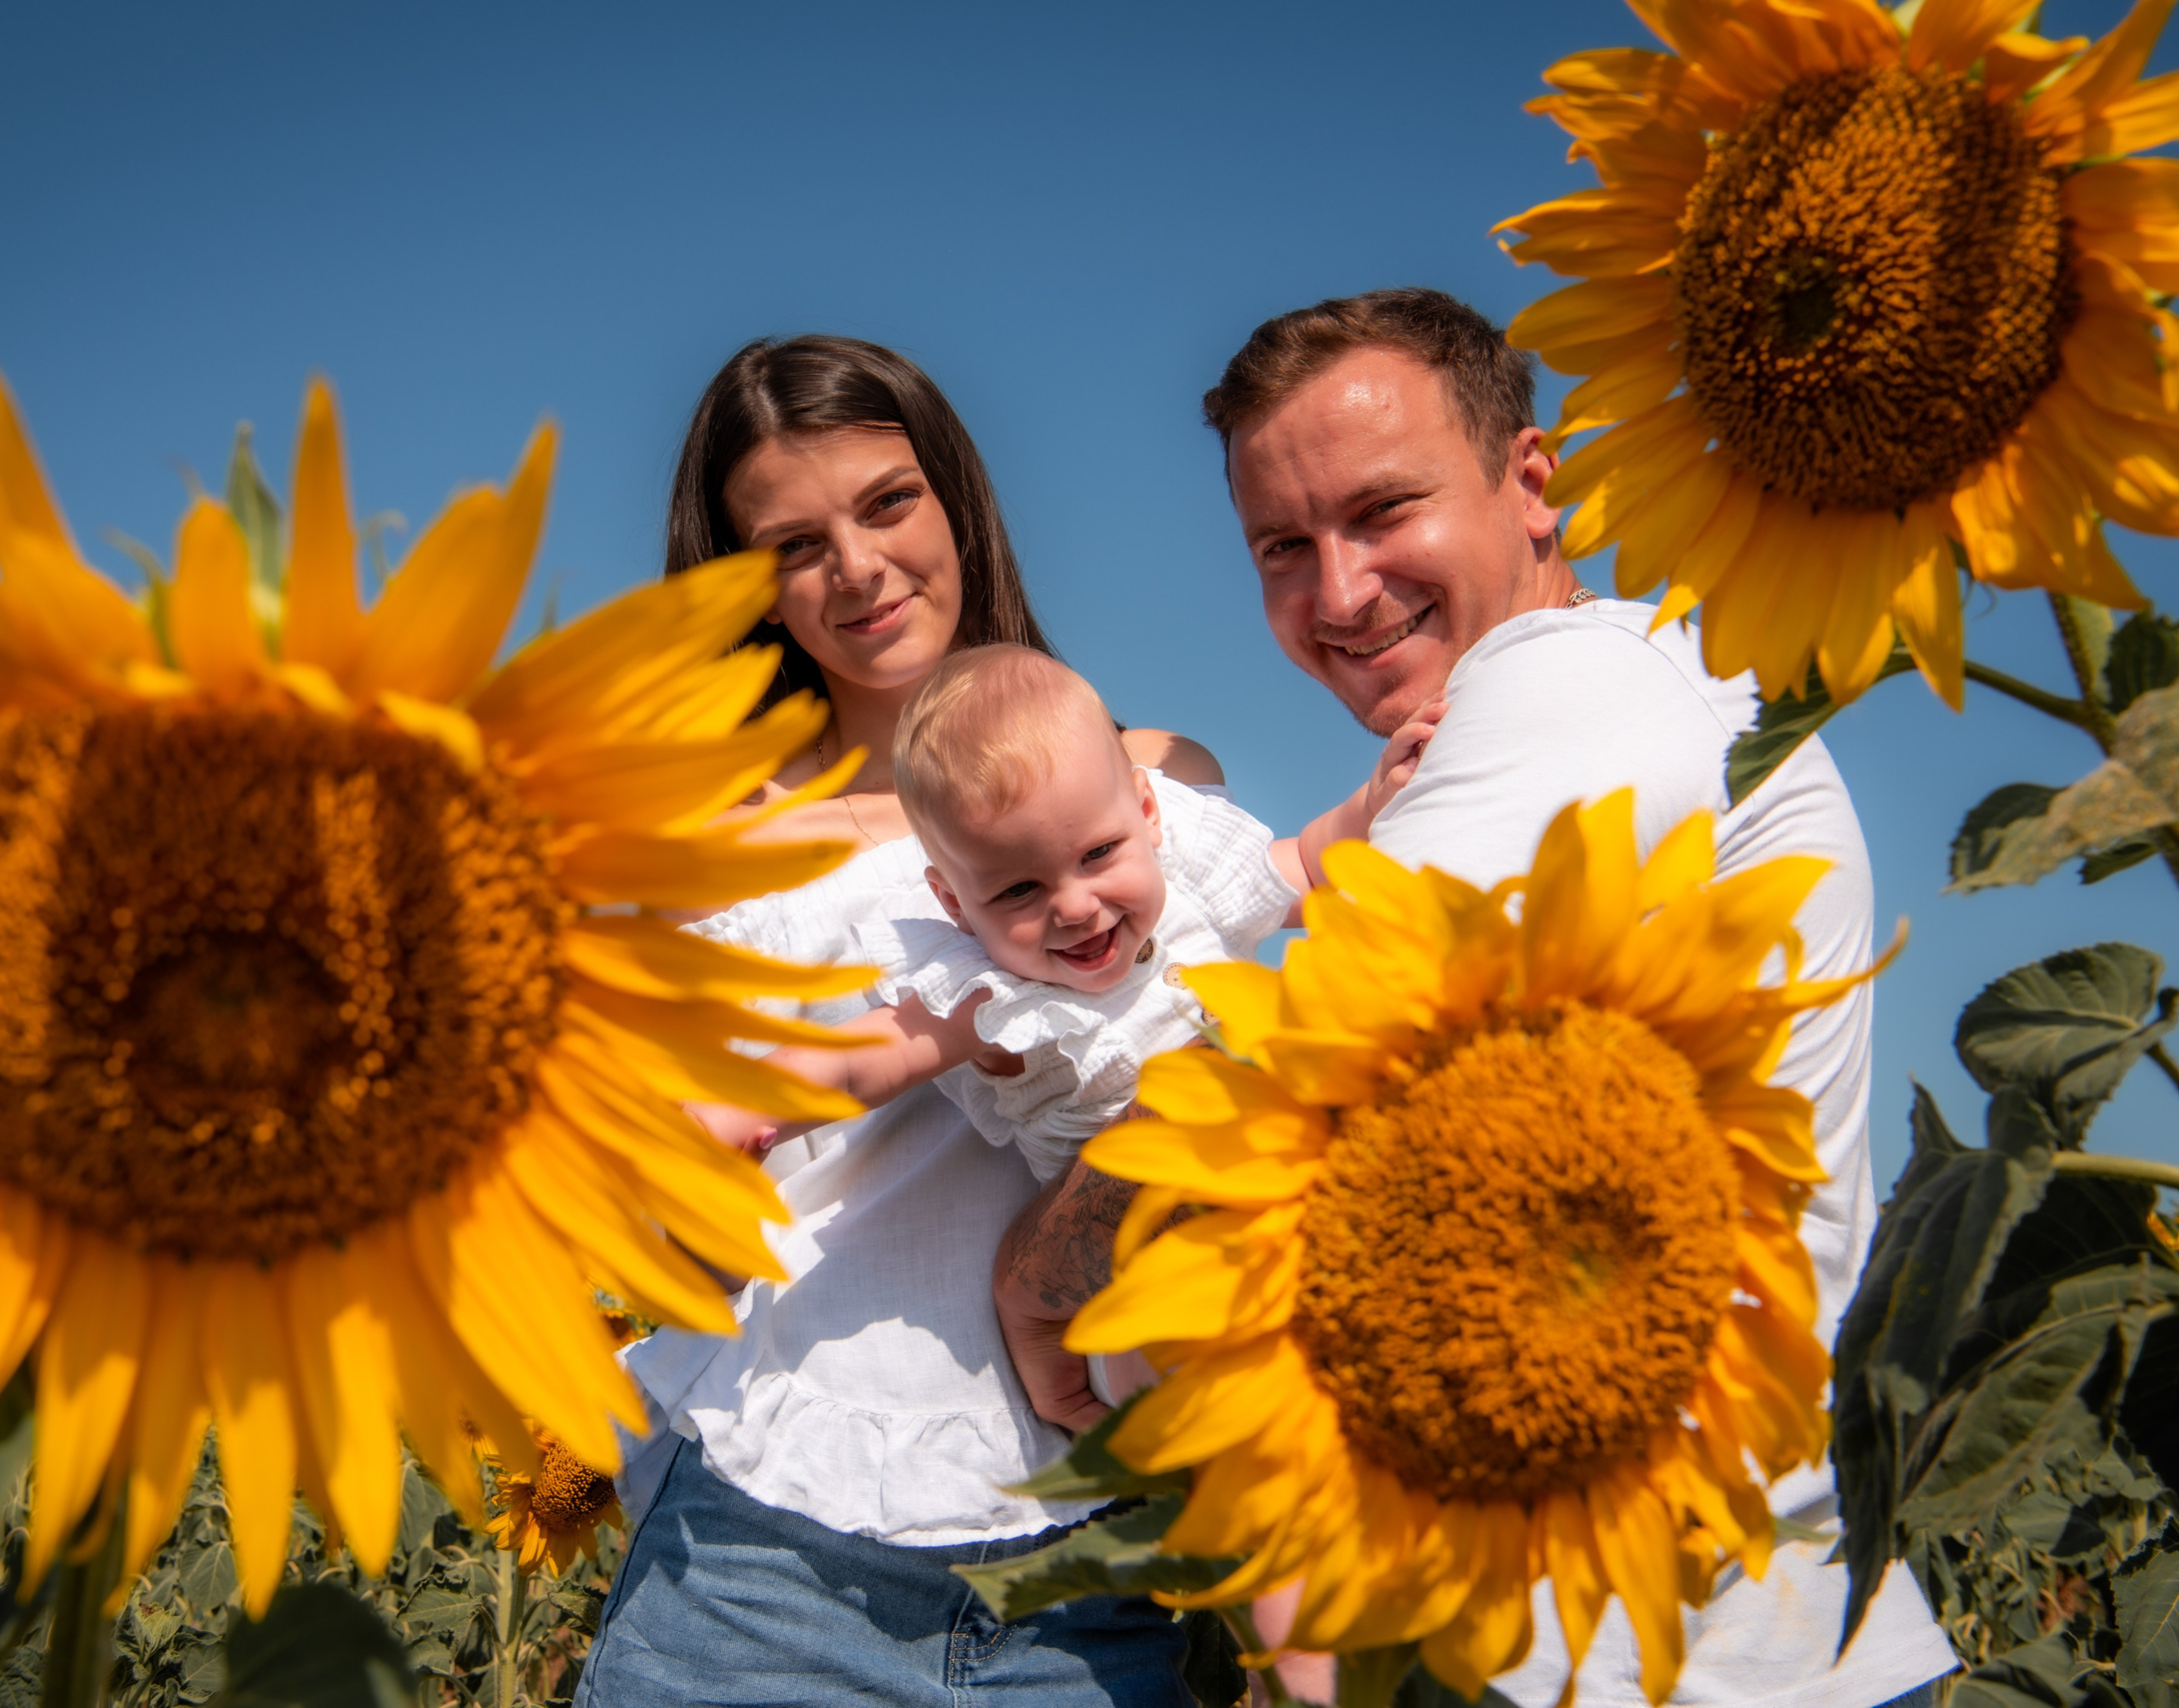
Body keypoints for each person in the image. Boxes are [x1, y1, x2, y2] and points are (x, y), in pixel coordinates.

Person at [988, 289, 1958, 1708]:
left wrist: (1034, 1278)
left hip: (1651, 1662)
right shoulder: (1641, 689)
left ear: (1532, 484)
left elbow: (1279, 1109)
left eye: (1385, 510)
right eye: (1283, 548)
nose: (1339, 593)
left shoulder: (1564, 685)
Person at [577, 336, 1217, 1707]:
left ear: (954, 498)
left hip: (1085, 1567)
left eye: (886, 504)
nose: (858, 569)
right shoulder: (696, 843)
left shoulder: (1158, 779)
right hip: (760, 1563)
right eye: (795, 545)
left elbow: (1234, 1074)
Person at [686, 644, 1439, 1177]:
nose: (1076, 906)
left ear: (1148, 812)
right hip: (1125, 1253)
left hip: (1289, 1159)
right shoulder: (994, 991)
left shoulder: (1191, 883)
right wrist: (741, 1111)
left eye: (1098, 854)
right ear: (953, 904)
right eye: (1018, 891)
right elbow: (859, 1060)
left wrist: (1377, 798)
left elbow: (1313, 864)